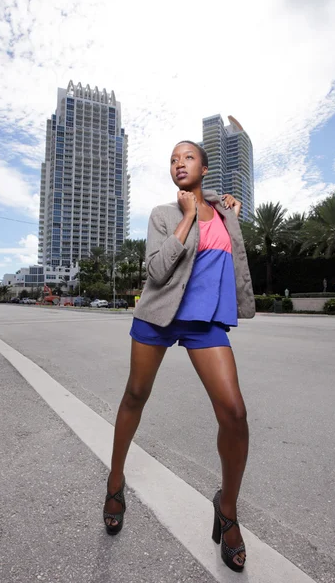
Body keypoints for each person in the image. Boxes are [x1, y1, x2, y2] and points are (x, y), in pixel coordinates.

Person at [103, 140, 255, 572]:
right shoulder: (163, 214)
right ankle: (115, 481)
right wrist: (187, 218)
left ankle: (227, 509)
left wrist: (227, 216)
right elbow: (155, 271)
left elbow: (233, 264)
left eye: (187, 157)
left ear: (205, 168)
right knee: (135, 395)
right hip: (158, 316)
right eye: (172, 159)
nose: (179, 164)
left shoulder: (227, 214)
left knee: (235, 413)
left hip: (204, 323)